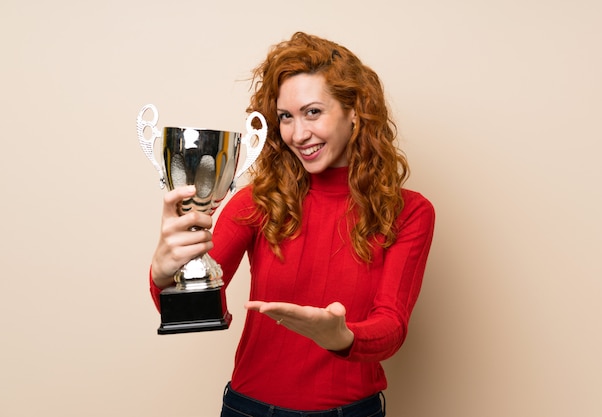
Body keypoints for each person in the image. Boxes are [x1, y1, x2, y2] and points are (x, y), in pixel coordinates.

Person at [149, 32, 435, 417]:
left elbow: (392, 326)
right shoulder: (257, 201)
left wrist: (343, 337)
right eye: (286, 117)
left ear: (355, 112)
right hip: (249, 410)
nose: (298, 134)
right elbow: (193, 309)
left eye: (313, 112)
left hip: (352, 412)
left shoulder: (409, 211)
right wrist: (166, 274)